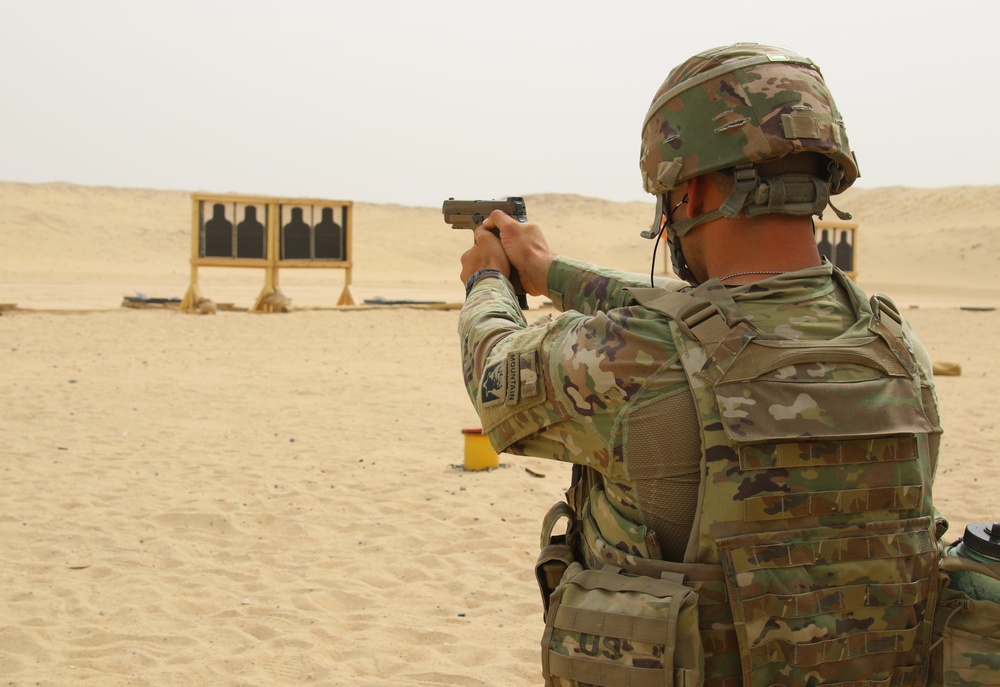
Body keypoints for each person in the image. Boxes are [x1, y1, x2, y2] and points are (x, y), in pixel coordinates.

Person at [457, 43, 947, 686]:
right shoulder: (894, 343)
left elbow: (495, 370)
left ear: (685, 194)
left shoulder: (642, 358)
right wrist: (554, 273)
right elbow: (708, 309)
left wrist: (489, 281)